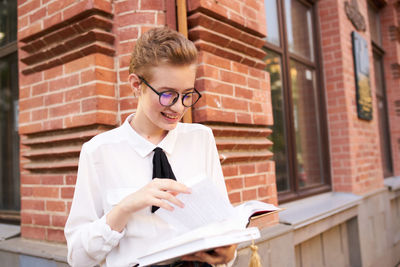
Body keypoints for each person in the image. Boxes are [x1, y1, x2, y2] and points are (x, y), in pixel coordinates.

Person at [64, 27, 237, 267]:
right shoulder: (98, 152)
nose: (178, 108)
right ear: (136, 84)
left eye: (187, 94)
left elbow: (223, 229)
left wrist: (227, 254)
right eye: (167, 95)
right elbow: (77, 258)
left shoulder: (202, 139)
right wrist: (125, 207)